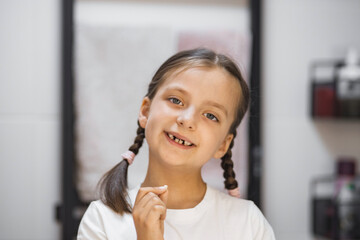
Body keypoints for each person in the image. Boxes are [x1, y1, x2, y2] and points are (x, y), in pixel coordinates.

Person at [77, 48, 275, 240]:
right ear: (145, 111)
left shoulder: (248, 224)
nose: (187, 120)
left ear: (223, 144)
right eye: (176, 100)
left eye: (210, 115)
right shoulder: (101, 221)